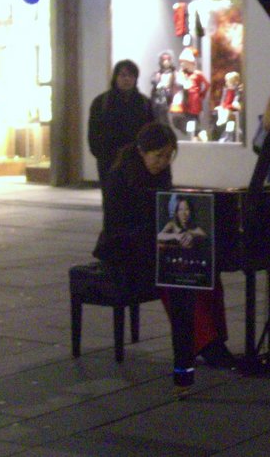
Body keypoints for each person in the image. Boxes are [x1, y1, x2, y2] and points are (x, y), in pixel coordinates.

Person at [93, 122, 239, 371]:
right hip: (124, 246)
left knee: (205, 268)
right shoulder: (119, 175)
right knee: (178, 273)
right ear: (142, 150)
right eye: (158, 155)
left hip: (152, 240)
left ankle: (214, 337)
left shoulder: (160, 172)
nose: (163, 161)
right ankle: (203, 342)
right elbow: (119, 223)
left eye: (168, 156)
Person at [88, 59, 155, 186]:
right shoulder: (101, 102)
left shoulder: (144, 103)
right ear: (115, 77)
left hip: (137, 159)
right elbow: (93, 132)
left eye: (131, 75)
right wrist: (101, 154)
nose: (127, 79)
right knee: (111, 198)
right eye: (123, 75)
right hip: (109, 160)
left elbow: (150, 131)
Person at [176, 47, 210, 138]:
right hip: (186, 99)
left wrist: (202, 94)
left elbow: (207, 84)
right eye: (181, 62)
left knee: (193, 118)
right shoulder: (183, 74)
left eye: (184, 62)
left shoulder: (197, 74)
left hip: (194, 99)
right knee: (188, 119)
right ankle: (194, 136)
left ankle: (199, 134)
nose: (182, 64)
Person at [213, 71, 243, 142]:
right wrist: (222, 106)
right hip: (227, 106)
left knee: (227, 114)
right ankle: (222, 123)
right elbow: (224, 100)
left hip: (232, 107)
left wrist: (234, 104)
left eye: (228, 82)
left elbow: (236, 100)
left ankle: (223, 120)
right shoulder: (227, 90)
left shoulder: (237, 91)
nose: (226, 83)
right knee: (221, 111)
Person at [150, 50, 176, 126]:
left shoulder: (174, 74)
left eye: (168, 60)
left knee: (167, 118)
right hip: (158, 98)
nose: (166, 62)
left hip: (169, 99)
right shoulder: (157, 74)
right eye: (164, 60)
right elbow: (153, 81)